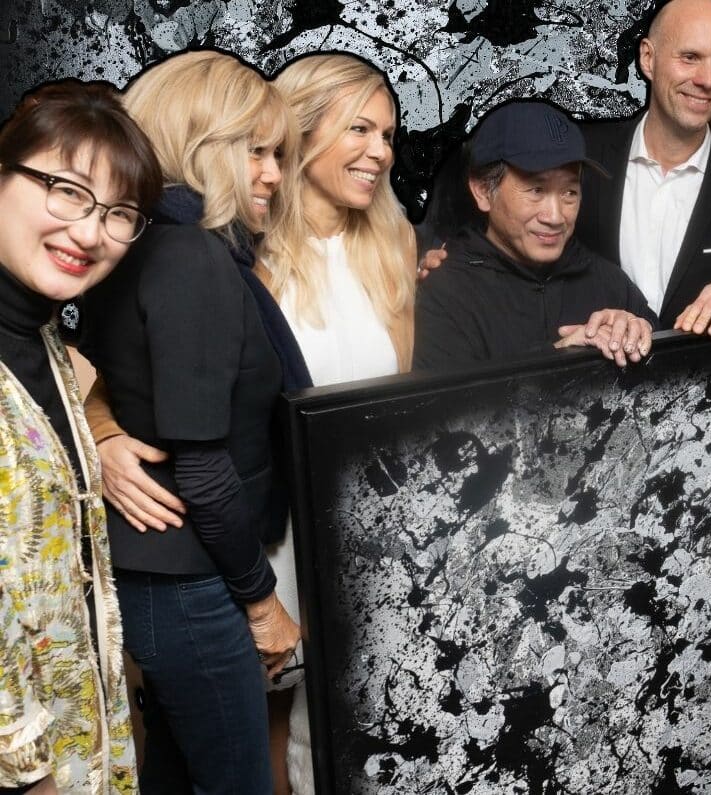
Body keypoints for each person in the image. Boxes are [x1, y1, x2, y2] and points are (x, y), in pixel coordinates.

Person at [78, 50, 301, 793]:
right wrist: (262, 602)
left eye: (279, 155)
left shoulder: (152, 246)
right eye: (256, 152)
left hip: (171, 573)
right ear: (202, 148)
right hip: (190, 579)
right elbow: (202, 466)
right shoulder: (192, 258)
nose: (273, 175)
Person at [0, 79, 160, 794]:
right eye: (67, 191)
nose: (91, 233)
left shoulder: (45, 343)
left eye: (119, 213)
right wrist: (28, 772)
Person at [267, 51, 417, 795]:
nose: (379, 152)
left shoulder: (394, 243)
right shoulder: (246, 251)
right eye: (359, 128)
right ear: (300, 129)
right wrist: (105, 436)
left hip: (375, 528)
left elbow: (410, 397)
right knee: (280, 719)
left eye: (387, 135)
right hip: (280, 534)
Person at [575, 0, 711, 335]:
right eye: (689, 57)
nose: (707, 80)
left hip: (701, 367)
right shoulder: (581, 156)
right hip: (587, 364)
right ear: (648, 58)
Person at [413, 100, 655, 371]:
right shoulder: (445, 293)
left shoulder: (610, 284)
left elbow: (675, 380)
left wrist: (640, 332)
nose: (555, 217)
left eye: (569, 193)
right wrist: (559, 355)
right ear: (483, 190)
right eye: (536, 190)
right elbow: (449, 397)